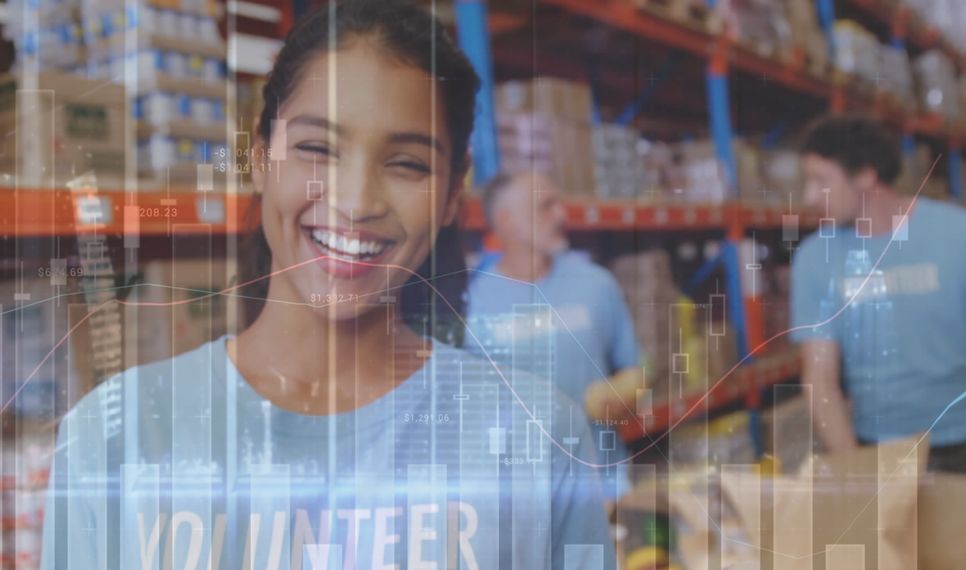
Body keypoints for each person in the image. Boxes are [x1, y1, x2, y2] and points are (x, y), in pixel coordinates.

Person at [41, 2, 614, 568]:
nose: (356, 201)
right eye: (317, 148)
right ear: (260, 156)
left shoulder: (540, 441)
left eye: (408, 163)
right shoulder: (113, 439)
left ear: (451, 194)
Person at [791, 114, 966, 525]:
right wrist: (854, 469)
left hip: (962, 447)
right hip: (874, 451)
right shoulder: (816, 258)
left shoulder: (963, 236)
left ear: (866, 175)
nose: (809, 195)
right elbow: (819, 377)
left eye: (820, 180)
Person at [464, 171, 643, 499]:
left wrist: (623, 398)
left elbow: (633, 369)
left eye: (558, 203)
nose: (561, 215)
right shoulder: (472, 303)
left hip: (602, 490)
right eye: (545, 207)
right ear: (506, 221)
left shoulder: (596, 284)